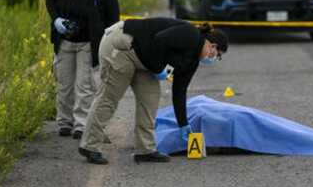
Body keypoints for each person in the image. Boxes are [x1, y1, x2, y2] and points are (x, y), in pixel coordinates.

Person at [79, 18, 228, 164]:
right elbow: (159, 40)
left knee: (150, 97)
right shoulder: (191, 35)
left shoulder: (192, 61)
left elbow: (179, 91)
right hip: (122, 44)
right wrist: (159, 69)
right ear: (212, 46)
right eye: (218, 55)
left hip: (145, 57)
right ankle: (89, 145)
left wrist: (183, 124)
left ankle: (145, 150)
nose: (215, 59)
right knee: (109, 97)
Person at [46, 0, 120, 139]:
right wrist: (56, 20)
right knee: (64, 84)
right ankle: (64, 122)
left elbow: (113, 19)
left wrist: (108, 45)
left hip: (90, 44)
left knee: (85, 86)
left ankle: (81, 124)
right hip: (65, 41)